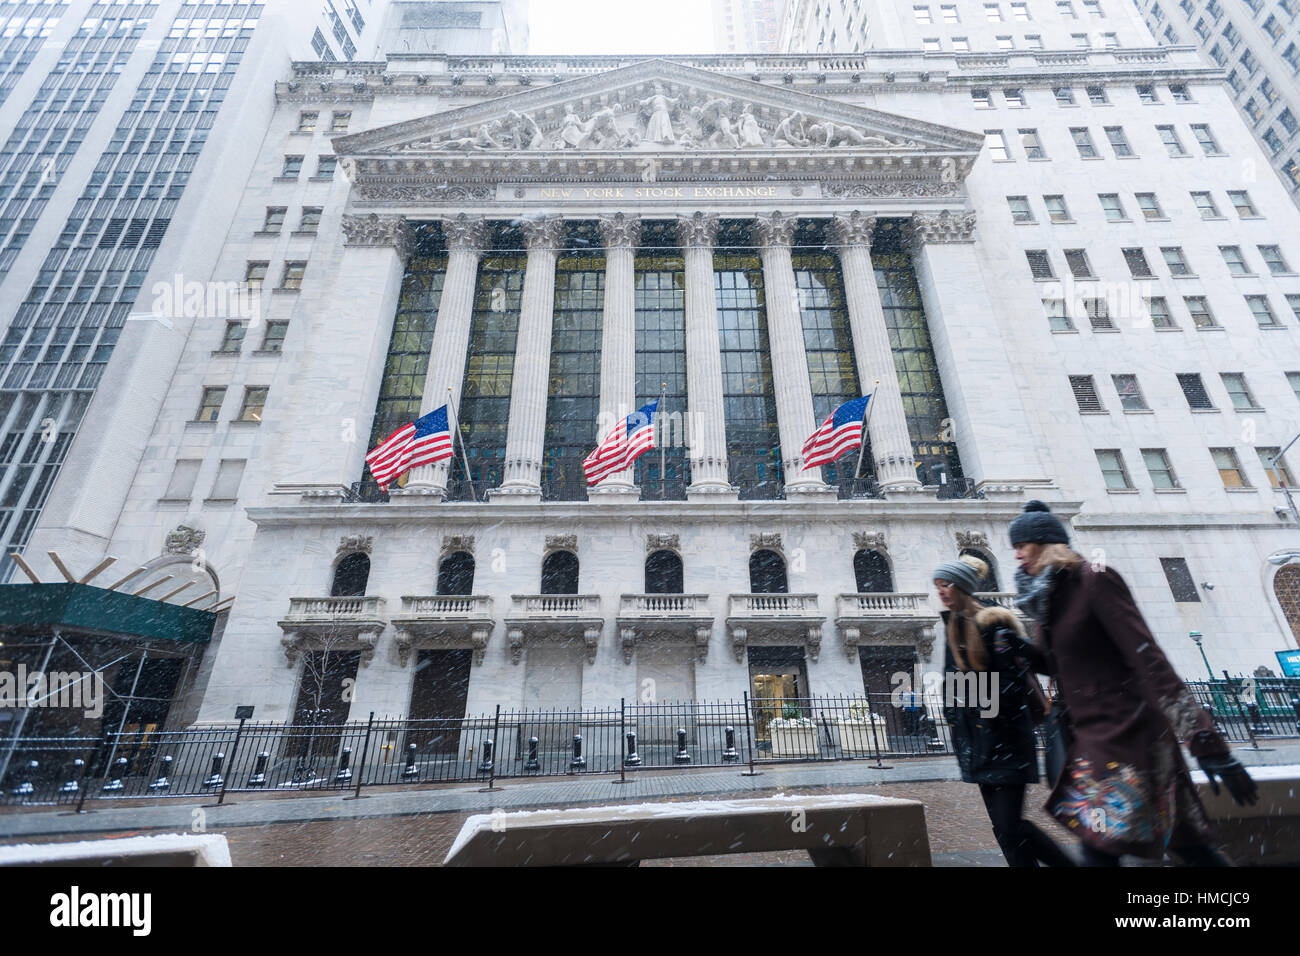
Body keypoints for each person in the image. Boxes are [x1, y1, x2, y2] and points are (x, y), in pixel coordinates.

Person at [1008, 500, 1258, 866]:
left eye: (1021, 545)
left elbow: (1148, 658)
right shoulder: (1048, 598)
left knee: (1099, 844)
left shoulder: (1094, 578)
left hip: (1129, 734)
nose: (1016, 556)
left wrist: (1206, 742)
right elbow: (1055, 664)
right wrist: (1018, 649)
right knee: (1183, 843)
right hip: (1093, 736)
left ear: (1045, 543)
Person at [934, 554, 1075, 867]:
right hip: (977, 745)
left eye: (946, 584)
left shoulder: (995, 627)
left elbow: (1006, 689)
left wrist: (974, 708)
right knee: (1004, 831)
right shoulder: (954, 627)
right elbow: (956, 685)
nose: (941, 591)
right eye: (938, 585)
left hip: (1005, 742)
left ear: (963, 587)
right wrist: (957, 717)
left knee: (1011, 827)